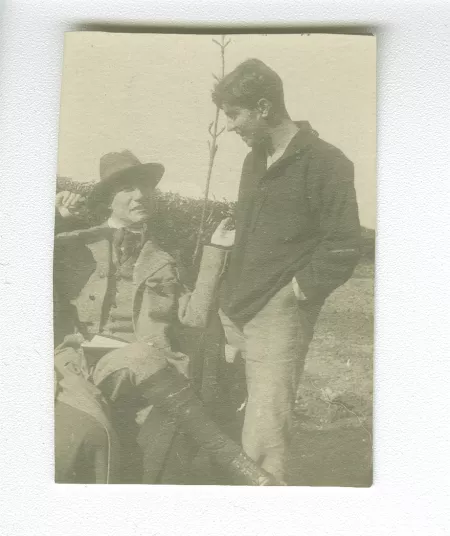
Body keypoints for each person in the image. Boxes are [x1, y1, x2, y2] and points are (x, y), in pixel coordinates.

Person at [54, 149, 280, 485]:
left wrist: (216, 250)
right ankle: (238, 463)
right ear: (107, 199)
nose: (140, 196)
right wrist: (59, 220)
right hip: (88, 366)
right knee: (141, 358)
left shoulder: (163, 257)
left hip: (152, 373)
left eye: (145, 187)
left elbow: (194, 317)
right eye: (128, 188)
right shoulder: (74, 246)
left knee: (152, 374)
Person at [212, 59, 361, 482]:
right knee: (231, 412)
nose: (230, 126)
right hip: (236, 307)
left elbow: (344, 243)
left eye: (234, 115)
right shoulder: (254, 161)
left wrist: (296, 292)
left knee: (265, 433)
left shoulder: (327, 161)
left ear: (262, 107)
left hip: (278, 313)